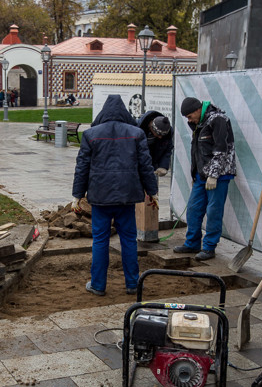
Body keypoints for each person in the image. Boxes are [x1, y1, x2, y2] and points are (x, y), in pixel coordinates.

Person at [72, 95, 158, 296]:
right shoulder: (136, 133)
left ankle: (98, 284)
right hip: (127, 196)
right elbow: (146, 165)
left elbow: (82, 167)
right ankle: (132, 284)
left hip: (100, 197)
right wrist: (152, 192)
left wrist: (77, 195)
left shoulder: (91, 134)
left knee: (100, 240)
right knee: (128, 239)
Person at [173, 97, 236, 261]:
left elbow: (221, 149)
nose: (189, 119)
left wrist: (214, 175)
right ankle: (192, 243)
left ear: (196, 110)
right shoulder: (199, 124)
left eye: (189, 116)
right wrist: (196, 174)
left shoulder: (218, 120)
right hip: (202, 176)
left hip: (219, 176)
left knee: (214, 211)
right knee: (194, 208)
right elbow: (197, 151)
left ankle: (209, 248)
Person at [137, 111, 173, 177]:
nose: (160, 137)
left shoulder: (168, 132)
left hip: (153, 165)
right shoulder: (137, 129)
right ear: (152, 128)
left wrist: (163, 166)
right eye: (159, 134)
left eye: (162, 135)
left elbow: (167, 150)